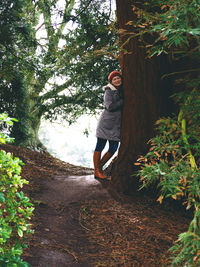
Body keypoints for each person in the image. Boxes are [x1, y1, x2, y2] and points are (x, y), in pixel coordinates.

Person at [93, 70, 124, 179]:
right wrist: (123, 101)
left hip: (116, 125)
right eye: (114, 79)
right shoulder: (109, 91)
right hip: (106, 123)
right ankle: (97, 170)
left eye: (118, 78)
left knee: (114, 147)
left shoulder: (121, 90)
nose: (117, 80)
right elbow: (109, 106)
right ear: (111, 81)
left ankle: (99, 167)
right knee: (100, 145)